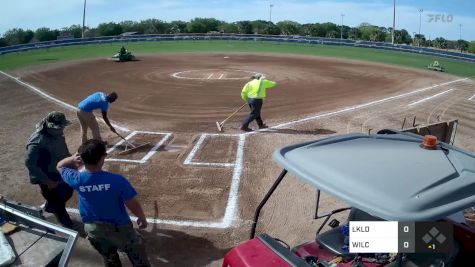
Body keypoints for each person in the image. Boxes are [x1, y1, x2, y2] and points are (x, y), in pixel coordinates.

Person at [57, 139, 150, 267]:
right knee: (136, 253)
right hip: (120, 227)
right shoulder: (117, 180)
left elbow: (60, 166)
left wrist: (72, 159)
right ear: (102, 159)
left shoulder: (77, 179)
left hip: (94, 229)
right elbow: (131, 202)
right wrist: (141, 217)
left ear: (82, 159)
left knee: (109, 258)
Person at [25, 111, 74, 228]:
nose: (62, 129)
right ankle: (65, 223)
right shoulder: (37, 141)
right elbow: (30, 163)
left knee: (68, 190)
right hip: (46, 175)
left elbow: (64, 150)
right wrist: (47, 181)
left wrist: (71, 160)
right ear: (49, 126)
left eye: (62, 127)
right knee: (57, 202)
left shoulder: (58, 134)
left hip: (59, 170)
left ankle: (51, 205)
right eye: (59, 127)